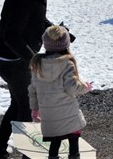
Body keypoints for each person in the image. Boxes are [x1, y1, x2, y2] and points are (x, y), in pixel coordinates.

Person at [0, 0, 62, 159]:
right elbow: (11, 36)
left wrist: (57, 30)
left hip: (16, 59)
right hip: (12, 62)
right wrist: (34, 60)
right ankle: (29, 155)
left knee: (18, 104)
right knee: (27, 108)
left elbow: (37, 18)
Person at [29, 25, 92, 159]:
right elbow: (71, 87)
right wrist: (85, 87)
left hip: (49, 114)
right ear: (66, 44)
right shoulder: (67, 64)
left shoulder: (37, 65)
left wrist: (35, 110)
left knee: (55, 139)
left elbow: (33, 90)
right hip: (68, 112)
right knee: (73, 137)